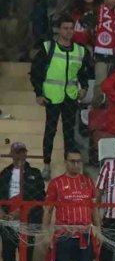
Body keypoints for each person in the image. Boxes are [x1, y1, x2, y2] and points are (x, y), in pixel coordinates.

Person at [29, 17, 90, 179]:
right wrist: (39, 93)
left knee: (69, 133)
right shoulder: (48, 48)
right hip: (52, 96)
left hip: (70, 96)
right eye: (65, 28)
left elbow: (84, 72)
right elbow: (35, 71)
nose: (68, 31)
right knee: (50, 131)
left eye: (71, 28)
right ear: (59, 30)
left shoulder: (80, 50)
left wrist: (84, 87)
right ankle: (47, 165)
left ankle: (69, 165)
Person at [42, 149, 97, 261]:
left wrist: (99, 231)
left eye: (79, 161)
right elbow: (48, 210)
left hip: (84, 235)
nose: (76, 164)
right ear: (66, 162)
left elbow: (94, 209)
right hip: (63, 236)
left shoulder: (88, 182)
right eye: (72, 161)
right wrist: (46, 235)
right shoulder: (56, 183)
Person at [0, 141, 45, 261]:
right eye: (17, 152)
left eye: (22, 152)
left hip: (27, 223)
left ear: (26, 153)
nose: (20, 155)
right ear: (12, 154)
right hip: (8, 223)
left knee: (25, 259)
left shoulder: (35, 173)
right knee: (7, 257)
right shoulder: (5, 173)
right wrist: (1, 212)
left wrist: (23, 211)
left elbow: (40, 198)